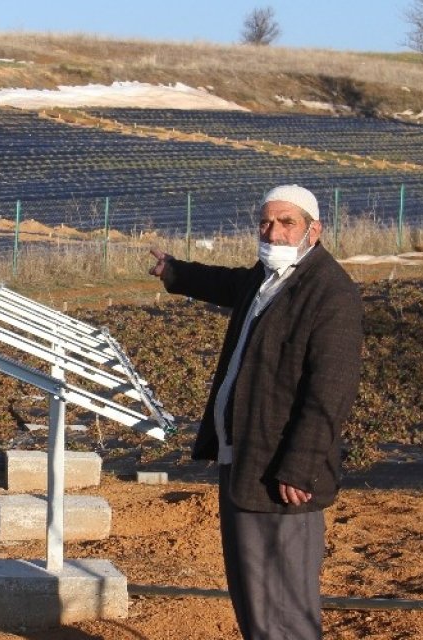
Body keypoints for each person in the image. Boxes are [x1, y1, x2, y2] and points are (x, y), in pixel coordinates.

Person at [148, 184, 363, 640]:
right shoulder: (266, 278)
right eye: (266, 222)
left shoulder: (330, 292)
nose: (274, 231)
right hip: (244, 459)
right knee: (255, 597)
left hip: (283, 477)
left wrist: (300, 468)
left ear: (314, 230)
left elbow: (330, 392)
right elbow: (226, 284)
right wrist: (175, 271)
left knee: (284, 604)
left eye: (287, 222)